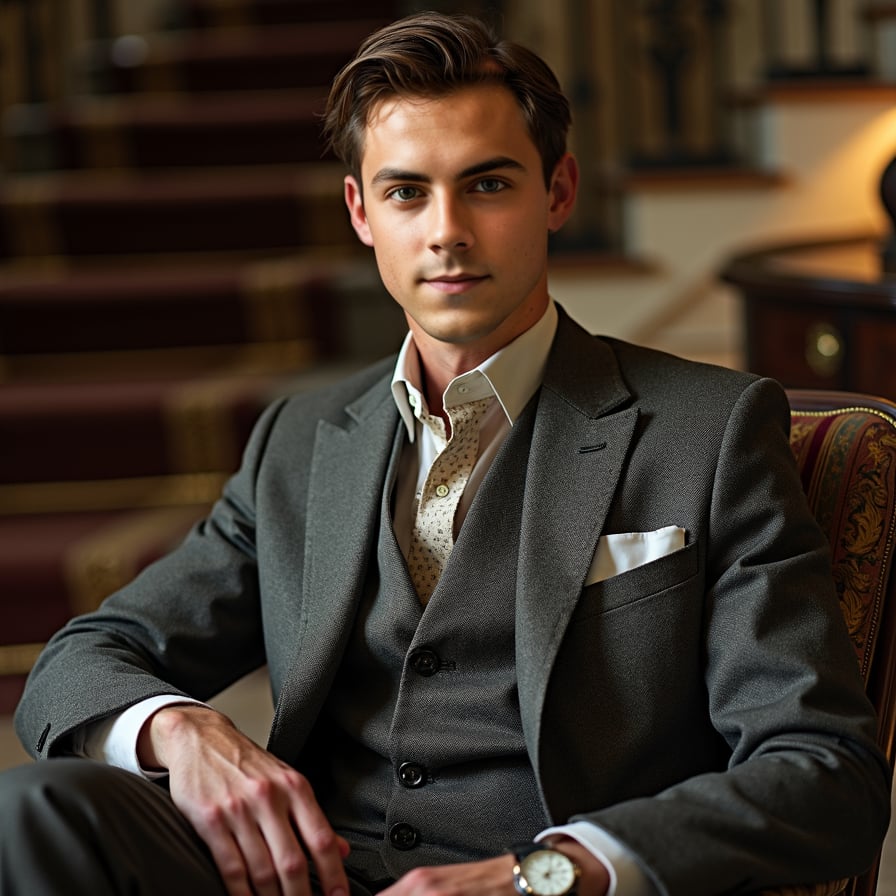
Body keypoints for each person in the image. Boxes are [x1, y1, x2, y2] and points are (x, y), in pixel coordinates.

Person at [0, 11, 890, 896]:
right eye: (406, 192)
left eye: (489, 185)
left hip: (540, 883)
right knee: (40, 810)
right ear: (361, 211)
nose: (446, 231)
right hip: (306, 875)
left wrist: (540, 875)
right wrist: (182, 731)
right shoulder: (301, 441)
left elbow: (824, 772)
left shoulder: (711, 428)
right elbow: (84, 657)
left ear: (559, 191)